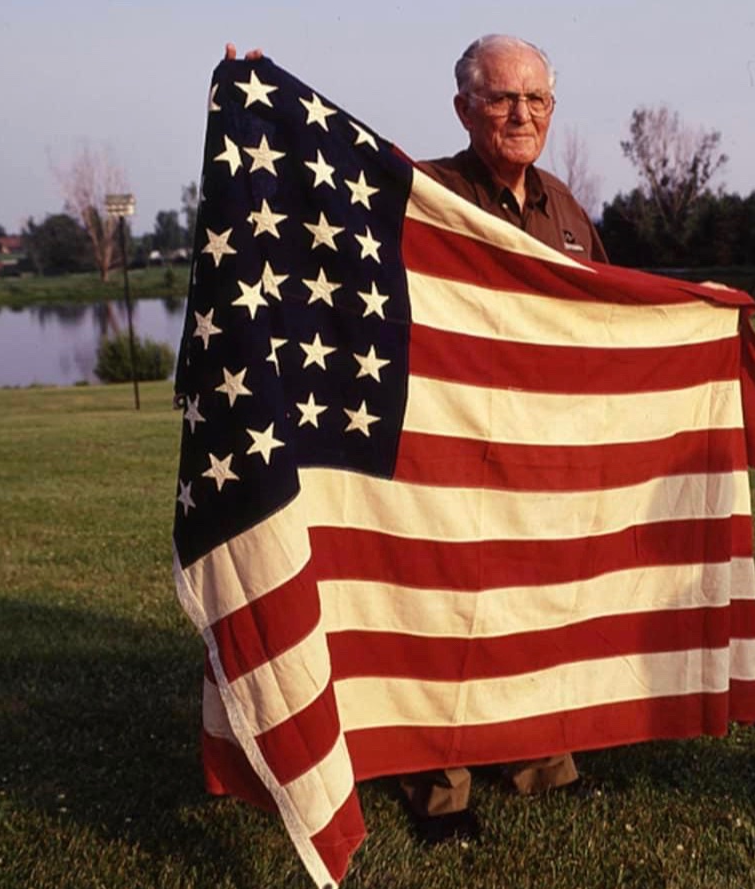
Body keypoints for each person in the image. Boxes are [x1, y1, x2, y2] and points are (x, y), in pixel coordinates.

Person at [222, 35, 606, 842]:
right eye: (501, 97)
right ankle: (440, 785)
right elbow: (316, 223)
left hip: (538, 462)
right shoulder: (423, 195)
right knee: (442, 614)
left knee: (529, 608)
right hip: (446, 454)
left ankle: (537, 756)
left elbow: (604, 317)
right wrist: (264, 110)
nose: (520, 113)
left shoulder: (565, 209)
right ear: (464, 107)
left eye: (535, 99)